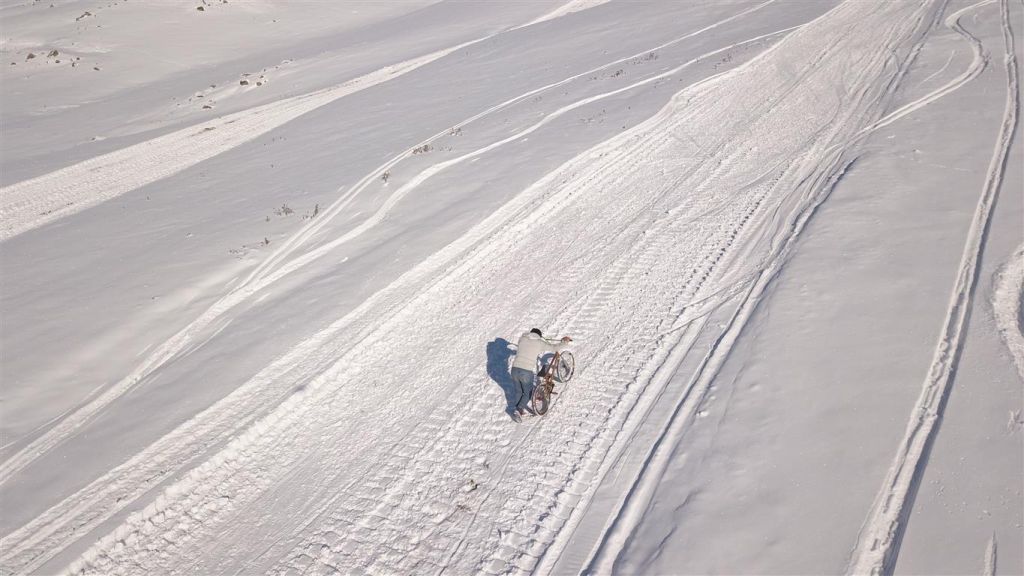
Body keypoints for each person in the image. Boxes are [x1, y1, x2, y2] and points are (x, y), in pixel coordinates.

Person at [510, 328, 572, 421]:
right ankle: (518, 410)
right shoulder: (540, 343)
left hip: (514, 369)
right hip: (526, 371)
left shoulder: (523, 339)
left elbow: (524, 345)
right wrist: (564, 342)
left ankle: (518, 408)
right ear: (539, 336)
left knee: (519, 390)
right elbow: (554, 348)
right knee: (528, 393)